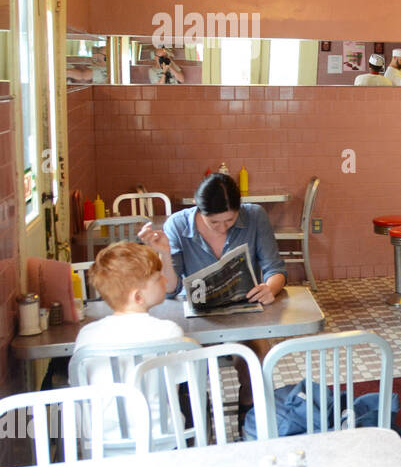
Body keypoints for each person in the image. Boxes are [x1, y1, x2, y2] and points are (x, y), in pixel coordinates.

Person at [139, 173, 286, 425]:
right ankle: (197, 416)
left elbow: (275, 268)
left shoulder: (255, 217)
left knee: (260, 353)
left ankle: (248, 414)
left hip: (243, 310)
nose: (222, 227)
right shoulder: (177, 224)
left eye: (230, 220)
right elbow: (172, 290)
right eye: (213, 222)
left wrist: (270, 288)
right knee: (183, 356)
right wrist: (162, 253)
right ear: (199, 209)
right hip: (195, 317)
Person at [74, 242, 185, 439]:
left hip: (102, 439)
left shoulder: (87, 335)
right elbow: (176, 387)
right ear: (138, 296)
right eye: (158, 278)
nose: (165, 279)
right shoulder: (169, 332)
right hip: (162, 435)